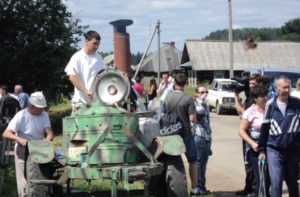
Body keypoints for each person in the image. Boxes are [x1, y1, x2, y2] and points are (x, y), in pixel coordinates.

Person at [2, 91, 54, 197]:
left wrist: (48, 139)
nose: (42, 110)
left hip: (39, 149)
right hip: (22, 149)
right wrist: (19, 139)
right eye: (41, 108)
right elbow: (6, 133)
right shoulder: (21, 115)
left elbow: (50, 133)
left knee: (40, 176)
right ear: (32, 106)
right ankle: (24, 194)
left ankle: (42, 192)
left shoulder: (44, 115)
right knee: (23, 179)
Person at [259, 75, 300, 197]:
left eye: (289, 87)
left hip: (293, 151)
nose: (288, 90)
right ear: (277, 89)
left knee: (292, 183)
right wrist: (262, 150)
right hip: (274, 150)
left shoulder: (297, 103)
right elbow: (265, 128)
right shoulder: (270, 105)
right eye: (285, 87)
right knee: (276, 183)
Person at [163, 72, 199, 196]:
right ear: (186, 83)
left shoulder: (168, 96)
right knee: (193, 160)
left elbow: (163, 112)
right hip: (186, 133)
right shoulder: (188, 98)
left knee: (172, 160)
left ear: (174, 83)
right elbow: (192, 118)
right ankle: (195, 188)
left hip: (171, 133)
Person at [238, 85, 270, 197]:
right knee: (261, 179)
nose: (265, 98)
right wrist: (252, 143)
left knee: (269, 178)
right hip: (257, 149)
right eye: (262, 96)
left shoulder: (271, 108)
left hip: (271, 147)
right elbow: (241, 131)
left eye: (266, 95)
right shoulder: (250, 112)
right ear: (256, 98)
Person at [234, 73, 262, 195]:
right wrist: (235, 95)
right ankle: (249, 187)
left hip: (254, 136)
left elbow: (244, 113)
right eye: (249, 84)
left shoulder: (259, 98)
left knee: (253, 164)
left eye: (253, 84)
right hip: (247, 134)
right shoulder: (250, 97)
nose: (251, 86)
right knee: (247, 162)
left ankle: (255, 189)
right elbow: (240, 110)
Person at [64, 30, 104, 111]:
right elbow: (72, 77)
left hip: (96, 103)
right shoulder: (77, 57)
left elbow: (101, 76)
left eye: (98, 44)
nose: (97, 46)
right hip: (80, 103)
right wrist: (85, 91)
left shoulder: (99, 58)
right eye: (94, 43)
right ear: (86, 41)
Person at [194, 85, 212, 195]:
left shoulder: (205, 105)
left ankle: (202, 187)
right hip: (198, 136)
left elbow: (207, 122)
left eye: (206, 91)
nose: (204, 94)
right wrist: (201, 100)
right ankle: (198, 188)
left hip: (207, 137)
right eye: (201, 92)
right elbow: (198, 115)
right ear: (196, 94)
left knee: (204, 164)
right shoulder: (195, 104)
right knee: (198, 163)